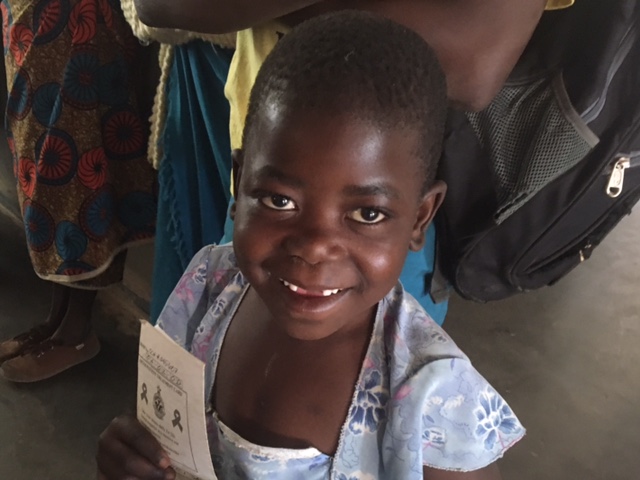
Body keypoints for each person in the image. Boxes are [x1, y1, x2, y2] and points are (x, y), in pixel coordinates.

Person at [97, 13, 524, 479]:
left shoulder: (435, 403)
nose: (315, 247)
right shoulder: (208, 285)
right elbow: (162, 427)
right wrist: (133, 458)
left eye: (367, 214)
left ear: (420, 218)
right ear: (240, 184)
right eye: (280, 201)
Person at [0, 0, 157, 382]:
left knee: (82, 173)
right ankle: (56, 321)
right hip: (36, 28)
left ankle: (76, 333)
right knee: (48, 183)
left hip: (81, 27)